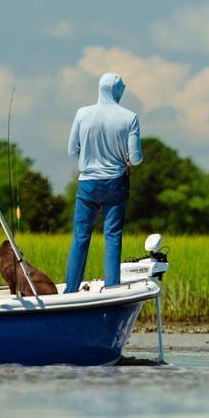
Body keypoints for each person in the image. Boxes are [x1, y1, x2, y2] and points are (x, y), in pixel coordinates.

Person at [65, 71, 142, 292]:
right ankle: (111, 287)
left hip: (88, 183)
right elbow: (135, 158)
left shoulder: (82, 113)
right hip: (115, 183)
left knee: (80, 236)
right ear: (118, 91)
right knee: (113, 236)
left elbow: (72, 149)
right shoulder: (130, 117)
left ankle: (71, 289)